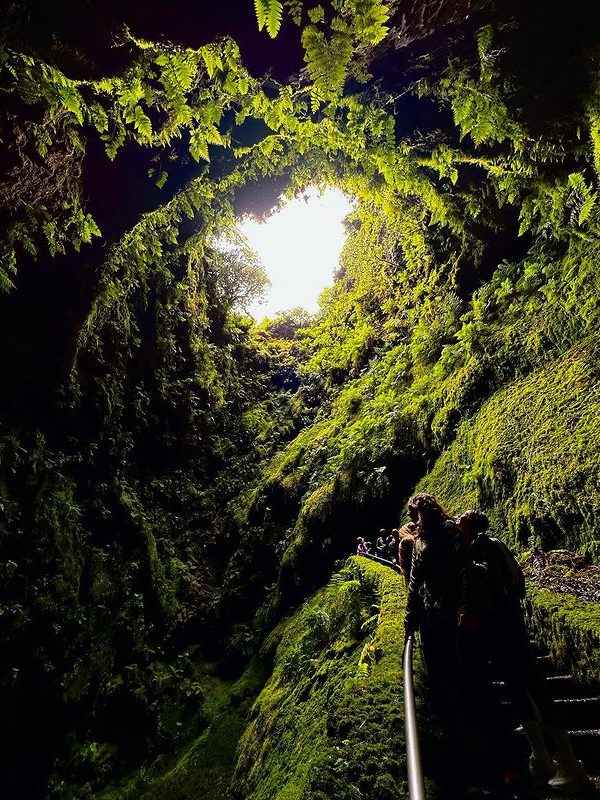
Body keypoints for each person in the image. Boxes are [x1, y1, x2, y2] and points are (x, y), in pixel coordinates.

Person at [457, 510, 591, 793]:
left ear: (470, 525)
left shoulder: (481, 546)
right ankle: (544, 758)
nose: (457, 522)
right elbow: (517, 584)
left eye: (462, 519)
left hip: (503, 629)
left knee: (530, 688)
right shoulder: (495, 544)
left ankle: (568, 764)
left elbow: (487, 584)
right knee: (521, 689)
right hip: (510, 625)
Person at [404, 493, 482, 790]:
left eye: (415, 514)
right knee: (442, 682)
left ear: (424, 512)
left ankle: (482, 748)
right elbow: (415, 582)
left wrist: (465, 608)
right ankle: (459, 752)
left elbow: (466, 568)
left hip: (455, 617)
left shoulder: (449, 531)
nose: (413, 520)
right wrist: (410, 619)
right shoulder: (420, 540)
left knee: (467, 676)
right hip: (434, 618)